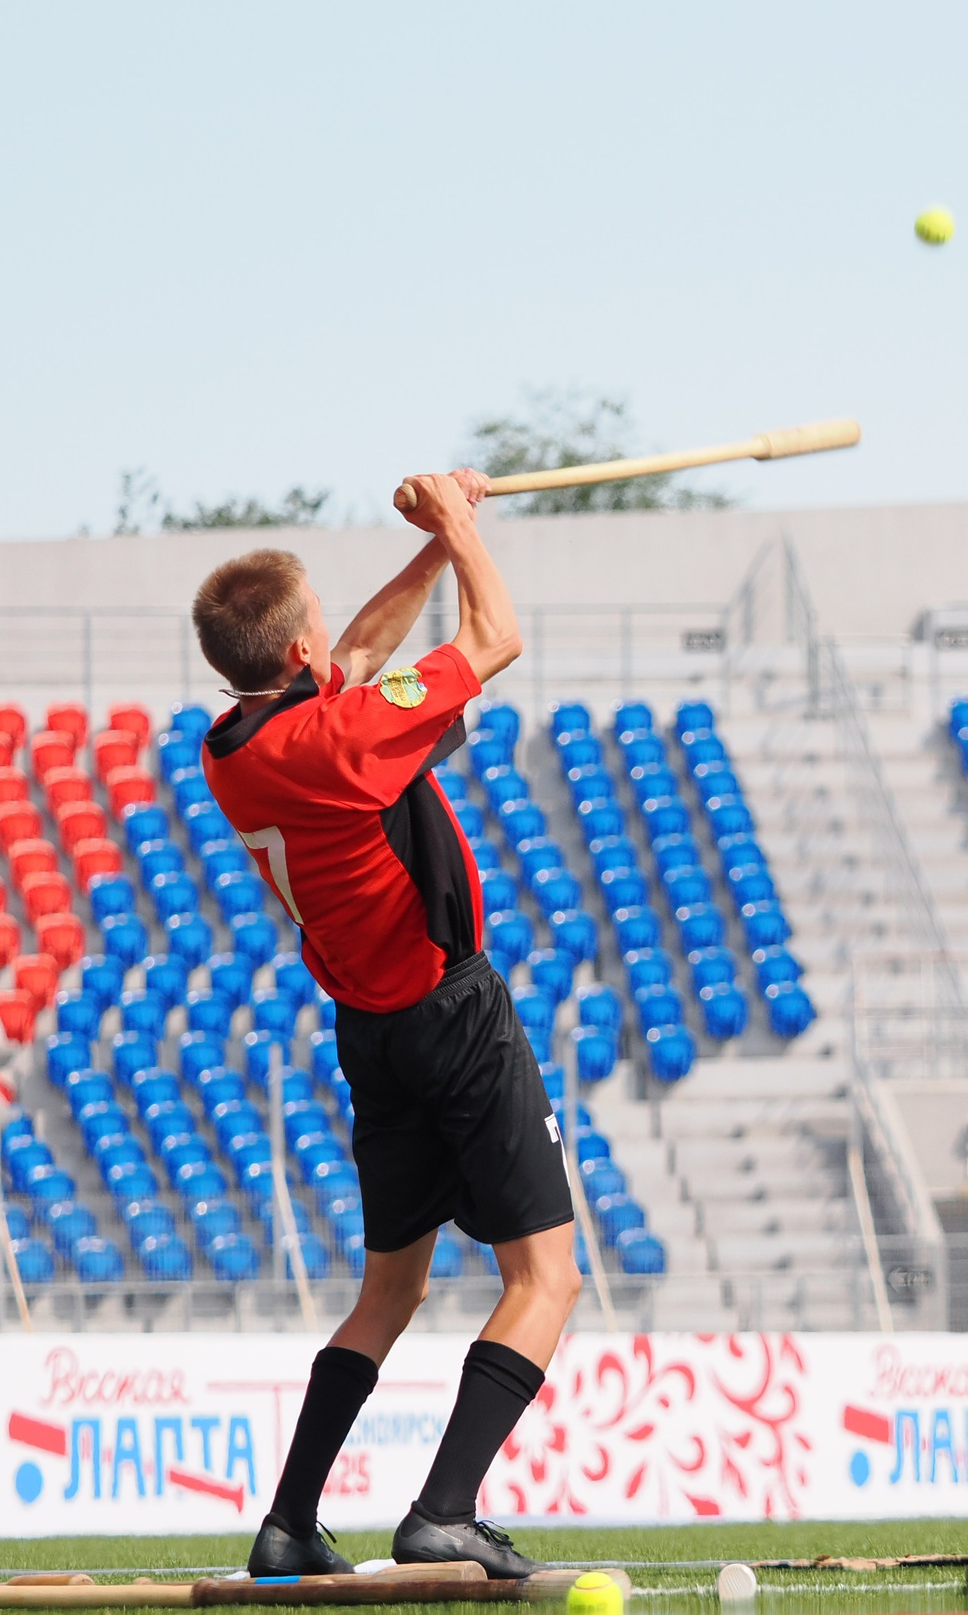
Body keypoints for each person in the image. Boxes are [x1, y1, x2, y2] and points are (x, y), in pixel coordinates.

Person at [192, 469, 579, 1580]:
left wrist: (438, 542)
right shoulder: (335, 740)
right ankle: (444, 1511)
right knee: (545, 1278)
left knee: (389, 1291)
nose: (335, 633)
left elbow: (357, 650)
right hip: (450, 1014)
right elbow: (496, 638)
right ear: (295, 649)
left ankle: (289, 1521)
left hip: (371, 1029)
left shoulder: (234, 743)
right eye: (316, 620)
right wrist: (458, 529)